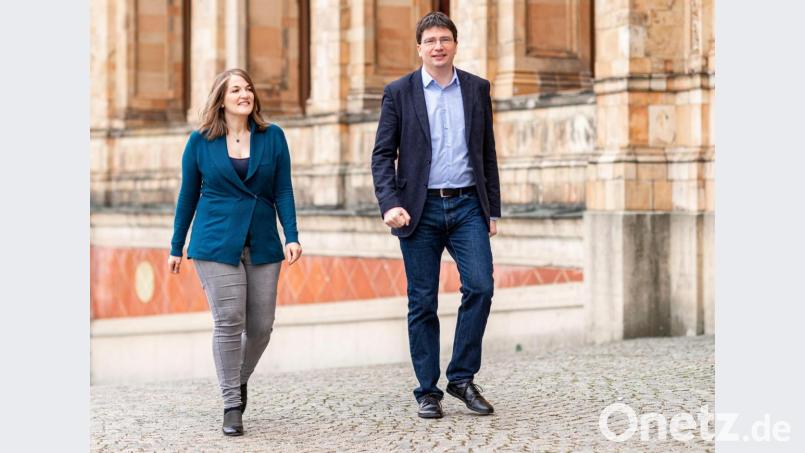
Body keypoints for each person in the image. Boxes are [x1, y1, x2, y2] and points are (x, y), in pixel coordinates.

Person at [371, 12, 501, 419]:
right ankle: (428, 391)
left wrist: (491, 209)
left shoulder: (477, 89)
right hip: (418, 211)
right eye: (431, 41)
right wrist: (390, 203)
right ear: (420, 48)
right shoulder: (399, 92)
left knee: (480, 286)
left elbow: (487, 153)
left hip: (466, 205)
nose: (438, 46)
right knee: (423, 301)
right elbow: (381, 155)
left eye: (445, 39)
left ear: (455, 44)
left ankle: (461, 377)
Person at [168, 68, 302, 436]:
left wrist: (291, 235)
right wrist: (176, 245)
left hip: (262, 241)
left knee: (260, 327)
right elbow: (188, 196)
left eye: (248, 88)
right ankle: (231, 404)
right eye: (236, 90)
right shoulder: (200, 142)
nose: (244, 94)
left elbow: (284, 190)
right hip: (214, 242)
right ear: (221, 99)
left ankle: (238, 378)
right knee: (229, 320)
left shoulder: (272, 137)